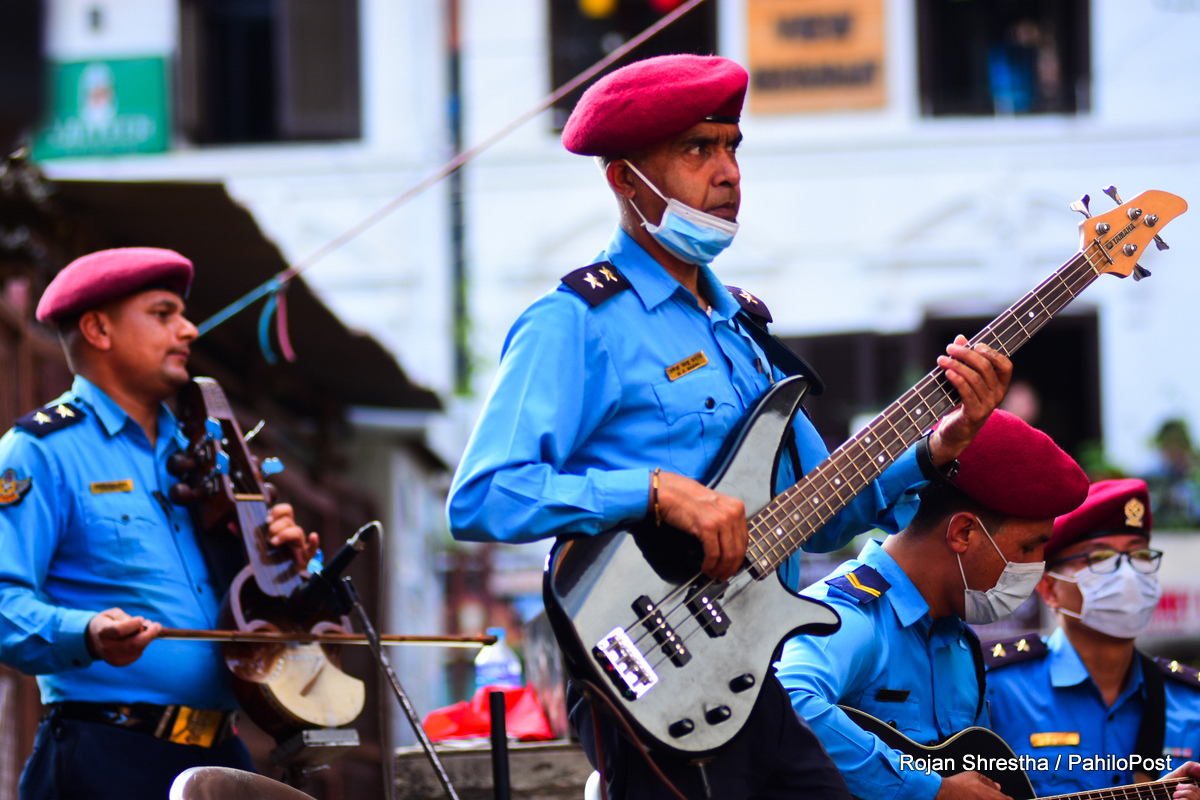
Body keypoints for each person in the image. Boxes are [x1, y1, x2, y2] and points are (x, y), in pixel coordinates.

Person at [447, 54, 1012, 800]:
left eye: (731, 146)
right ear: (624, 178)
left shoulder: (744, 328)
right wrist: (656, 492)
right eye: (696, 149)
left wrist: (941, 444)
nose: (728, 171)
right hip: (648, 674)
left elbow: (823, 513)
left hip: (752, 674)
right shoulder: (576, 324)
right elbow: (483, 496)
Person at [0, 248, 320, 800]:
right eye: (164, 313)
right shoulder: (40, 452)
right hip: (106, 758)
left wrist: (291, 573)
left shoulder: (211, 454)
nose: (189, 330)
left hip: (223, 755)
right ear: (98, 328)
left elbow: (260, 608)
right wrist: (89, 633)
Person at [776, 410, 1091, 800]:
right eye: (1028, 547)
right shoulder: (852, 615)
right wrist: (929, 790)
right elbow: (785, 702)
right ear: (963, 533)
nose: (1035, 567)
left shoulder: (959, 643)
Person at [985, 479, 1200, 798]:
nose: (1128, 575)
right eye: (1099, 559)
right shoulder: (995, 689)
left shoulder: (1191, 703)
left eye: (1139, 555)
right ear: (1049, 589)